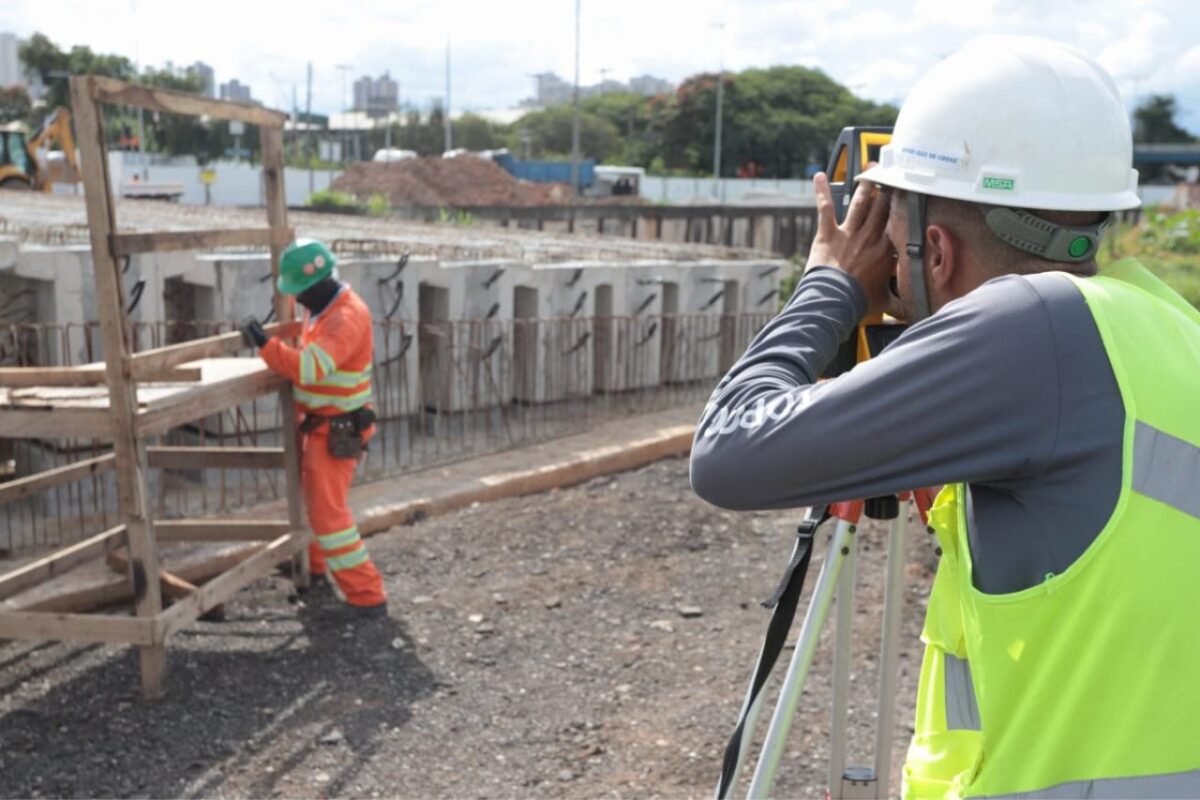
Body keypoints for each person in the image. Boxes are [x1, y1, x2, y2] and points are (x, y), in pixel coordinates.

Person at [690, 35, 1200, 798]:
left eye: (891, 240)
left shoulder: (1035, 327)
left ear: (935, 250)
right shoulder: (1161, 320)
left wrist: (829, 287)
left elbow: (728, 453)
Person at [241, 238, 388, 618]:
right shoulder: (324, 307)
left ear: (319, 284)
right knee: (319, 506)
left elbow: (309, 368)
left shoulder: (344, 317)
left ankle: (367, 595)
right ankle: (317, 568)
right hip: (324, 426)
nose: (298, 302)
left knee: (329, 516)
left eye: (300, 293)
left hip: (338, 430)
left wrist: (265, 345)